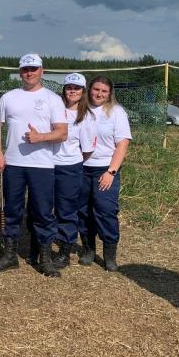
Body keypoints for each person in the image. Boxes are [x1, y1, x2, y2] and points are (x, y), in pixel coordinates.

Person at [0, 53, 68, 277]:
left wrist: (40, 137)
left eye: (33, 69)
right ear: (20, 72)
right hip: (12, 163)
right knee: (11, 209)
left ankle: (45, 259)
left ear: (41, 71)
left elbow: (62, 133)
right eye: (25, 69)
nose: (29, 73)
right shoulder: (9, 97)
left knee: (43, 212)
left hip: (42, 165)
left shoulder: (53, 99)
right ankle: (10, 255)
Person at [77, 76, 132, 272]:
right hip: (81, 168)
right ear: (89, 89)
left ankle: (110, 254)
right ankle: (88, 250)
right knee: (83, 211)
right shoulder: (79, 109)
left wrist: (111, 171)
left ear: (110, 94)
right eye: (96, 89)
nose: (99, 94)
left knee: (105, 210)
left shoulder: (116, 112)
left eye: (104, 91)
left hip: (105, 169)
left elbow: (122, 144)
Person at [49, 73, 96, 268]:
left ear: (83, 91)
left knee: (66, 210)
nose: (72, 91)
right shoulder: (55, 109)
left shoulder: (86, 117)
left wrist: (71, 161)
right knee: (43, 207)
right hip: (47, 164)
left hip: (70, 168)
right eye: (69, 87)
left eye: (77, 88)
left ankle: (64, 251)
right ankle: (41, 245)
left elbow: (87, 150)